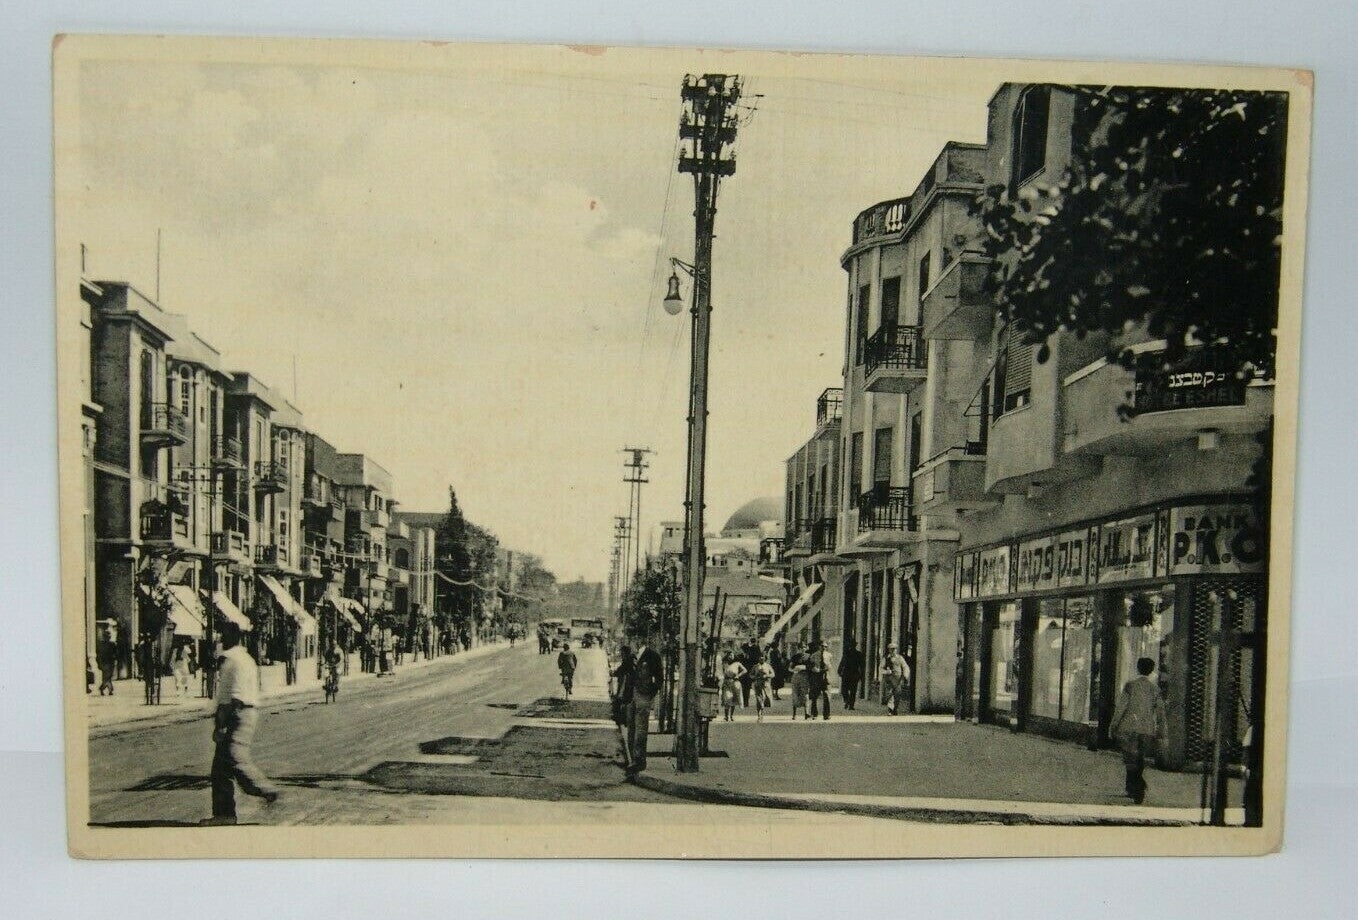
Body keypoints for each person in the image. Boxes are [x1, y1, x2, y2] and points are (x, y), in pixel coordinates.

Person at [201, 622, 281, 826]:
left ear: (230, 638)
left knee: (234, 758)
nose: (220, 639)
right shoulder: (245, 659)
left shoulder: (233, 662)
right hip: (244, 712)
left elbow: (234, 698)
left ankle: (263, 789)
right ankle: (224, 815)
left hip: (237, 714)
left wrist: (221, 725)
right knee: (220, 769)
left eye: (223, 636)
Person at [1110, 657, 1168, 805]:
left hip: (1128, 728)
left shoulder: (1130, 686)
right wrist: (1162, 731)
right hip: (1147, 729)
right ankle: (1134, 786)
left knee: (1130, 757)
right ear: (1151, 670)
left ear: (1137, 668)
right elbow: (1161, 712)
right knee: (1140, 758)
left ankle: (1135, 786)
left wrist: (1113, 725)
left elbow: (1121, 708)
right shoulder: (1155, 689)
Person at [627, 637, 665, 777]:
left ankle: (639, 760)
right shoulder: (632, 657)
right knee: (631, 728)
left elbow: (660, 678)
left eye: (632, 641)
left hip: (643, 696)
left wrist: (650, 693)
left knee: (641, 729)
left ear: (638, 641)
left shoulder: (652, 656)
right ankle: (632, 759)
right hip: (631, 696)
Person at [807, 640, 832, 721]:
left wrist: (827, 670)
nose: (823, 648)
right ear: (819, 646)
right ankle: (814, 713)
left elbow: (830, 666)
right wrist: (815, 669)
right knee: (814, 696)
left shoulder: (829, 655)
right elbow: (810, 665)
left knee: (827, 695)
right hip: (816, 676)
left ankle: (826, 714)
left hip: (825, 676)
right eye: (822, 646)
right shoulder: (814, 655)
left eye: (825, 646)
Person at [837, 637, 865, 710]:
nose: (851, 646)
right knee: (844, 690)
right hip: (846, 673)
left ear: (854, 646)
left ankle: (851, 705)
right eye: (850, 645)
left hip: (854, 674)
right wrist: (839, 670)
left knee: (852, 690)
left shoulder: (859, 654)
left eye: (852, 645)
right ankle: (847, 701)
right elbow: (842, 662)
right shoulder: (846, 653)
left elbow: (862, 666)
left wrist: (861, 676)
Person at [883, 643, 911, 715]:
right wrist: (886, 671)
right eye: (891, 649)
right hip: (888, 678)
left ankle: (895, 709)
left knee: (897, 694)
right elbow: (880, 668)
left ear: (896, 650)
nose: (892, 651)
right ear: (889, 650)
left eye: (894, 649)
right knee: (889, 694)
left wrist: (905, 675)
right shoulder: (886, 658)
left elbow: (905, 667)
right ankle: (890, 710)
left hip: (898, 679)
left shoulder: (900, 658)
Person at [720, 653, 747, 722]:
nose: (731, 657)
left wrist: (738, 675)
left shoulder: (737, 663)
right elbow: (721, 672)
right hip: (726, 682)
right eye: (729, 655)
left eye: (732, 655)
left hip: (735, 682)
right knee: (727, 698)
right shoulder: (724, 663)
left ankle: (731, 716)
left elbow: (745, 670)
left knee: (733, 700)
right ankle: (726, 716)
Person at [750, 653, 775, 723]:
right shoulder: (755, 666)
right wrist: (755, 677)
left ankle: (762, 712)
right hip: (757, 684)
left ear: (765, 658)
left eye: (763, 657)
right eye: (760, 657)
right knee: (759, 700)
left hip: (766, 685)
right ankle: (759, 715)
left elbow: (773, 674)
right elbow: (751, 675)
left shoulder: (768, 666)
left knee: (764, 699)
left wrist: (767, 675)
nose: (761, 658)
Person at [95, 624, 117, 696]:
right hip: (106, 662)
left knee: (108, 676)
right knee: (107, 677)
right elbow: (99, 654)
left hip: (109, 662)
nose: (108, 637)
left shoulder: (110, 644)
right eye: (107, 636)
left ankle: (106, 689)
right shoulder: (109, 644)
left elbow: (115, 653)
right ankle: (106, 689)